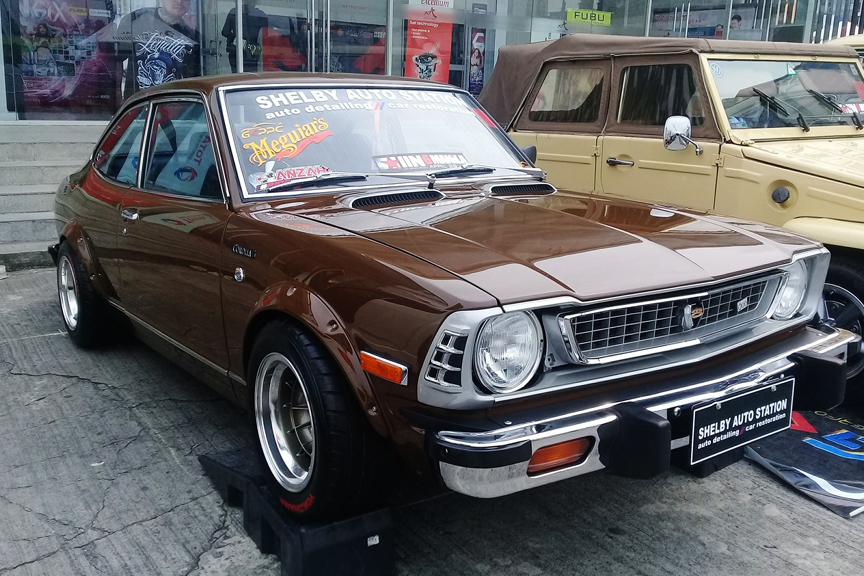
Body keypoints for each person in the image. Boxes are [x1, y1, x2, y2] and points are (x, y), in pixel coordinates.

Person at [114, 0, 201, 98]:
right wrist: (117, 94)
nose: (179, 1)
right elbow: (117, 60)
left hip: (174, 103)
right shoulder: (136, 20)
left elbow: (193, 76)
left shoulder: (192, 35)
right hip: (138, 103)